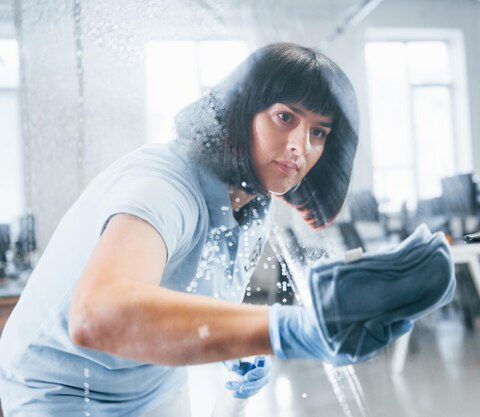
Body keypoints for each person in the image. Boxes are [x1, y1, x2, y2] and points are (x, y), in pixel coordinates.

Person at [0, 42, 453, 417]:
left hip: (152, 389)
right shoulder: (164, 185)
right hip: (57, 395)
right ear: (243, 109)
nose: (300, 146)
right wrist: (282, 329)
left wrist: (234, 340)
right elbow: (96, 315)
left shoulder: (255, 202)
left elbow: (193, 295)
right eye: (285, 117)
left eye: (319, 132)